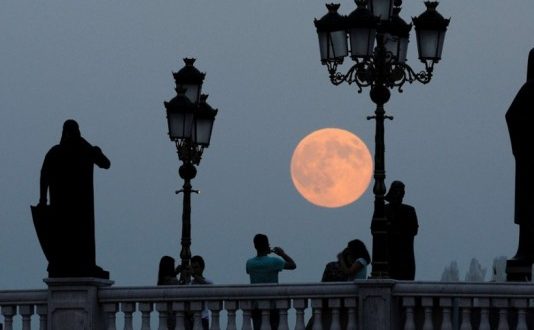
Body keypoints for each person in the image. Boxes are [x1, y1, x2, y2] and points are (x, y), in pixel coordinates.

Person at [38, 119, 110, 278]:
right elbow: (105, 163)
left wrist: (43, 200)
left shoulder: (59, 152)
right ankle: (74, 264)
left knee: (73, 236)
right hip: (74, 206)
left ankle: (75, 264)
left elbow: (105, 164)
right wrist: (90, 147)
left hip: (70, 206)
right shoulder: (83, 150)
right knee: (74, 235)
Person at [506, 48, 534, 263]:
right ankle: (525, 250)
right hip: (528, 162)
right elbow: (512, 116)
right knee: (528, 211)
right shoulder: (529, 91)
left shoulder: (527, 91)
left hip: (527, 161)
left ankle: (525, 250)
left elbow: (511, 116)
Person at [307, 240, 370, 329]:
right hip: (349, 288)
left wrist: (341, 259)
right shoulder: (359, 260)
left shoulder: (361, 260)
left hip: (350, 290)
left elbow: (348, 272)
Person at [246, 233, 296, 330]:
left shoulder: (249, 263)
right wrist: (282, 254)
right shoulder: (274, 262)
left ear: (255, 246)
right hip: (273, 305)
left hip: (256, 306)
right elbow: (293, 265)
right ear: (266, 245)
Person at [384, 181, 419, 280]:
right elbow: (375, 229)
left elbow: (414, 230)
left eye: (401, 192)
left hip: (405, 256)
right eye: (397, 191)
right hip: (389, 256)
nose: (399, 194)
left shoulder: (409, 210)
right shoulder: (383, 210)